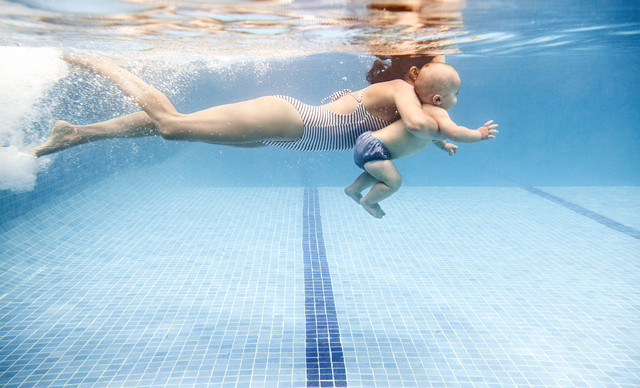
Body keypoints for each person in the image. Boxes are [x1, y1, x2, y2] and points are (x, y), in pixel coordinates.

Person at [33, 54, 444, 157]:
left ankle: (75, 133)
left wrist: (438, 135)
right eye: (447, 90)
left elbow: (401, 128)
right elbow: (415, 122)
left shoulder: (404, 97)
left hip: (283, 135)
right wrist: (450, 130)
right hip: (290, 120)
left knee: (182, 125)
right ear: (414, 75)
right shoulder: (401, 90)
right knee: (172, 125)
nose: (449, 100)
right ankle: (104, 65)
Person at [344, 63, 498, 218]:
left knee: (380, 175)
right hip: (376, 149)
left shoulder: (418, 109)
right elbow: (455, 133)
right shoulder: (437, 112)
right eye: (455, 94)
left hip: (370, 143)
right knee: (394, 182)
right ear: (438, 99)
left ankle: (353, 190)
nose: (457, 99)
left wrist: (443, 145)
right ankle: (369, 201)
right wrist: (479, 134)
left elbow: (432, 134)